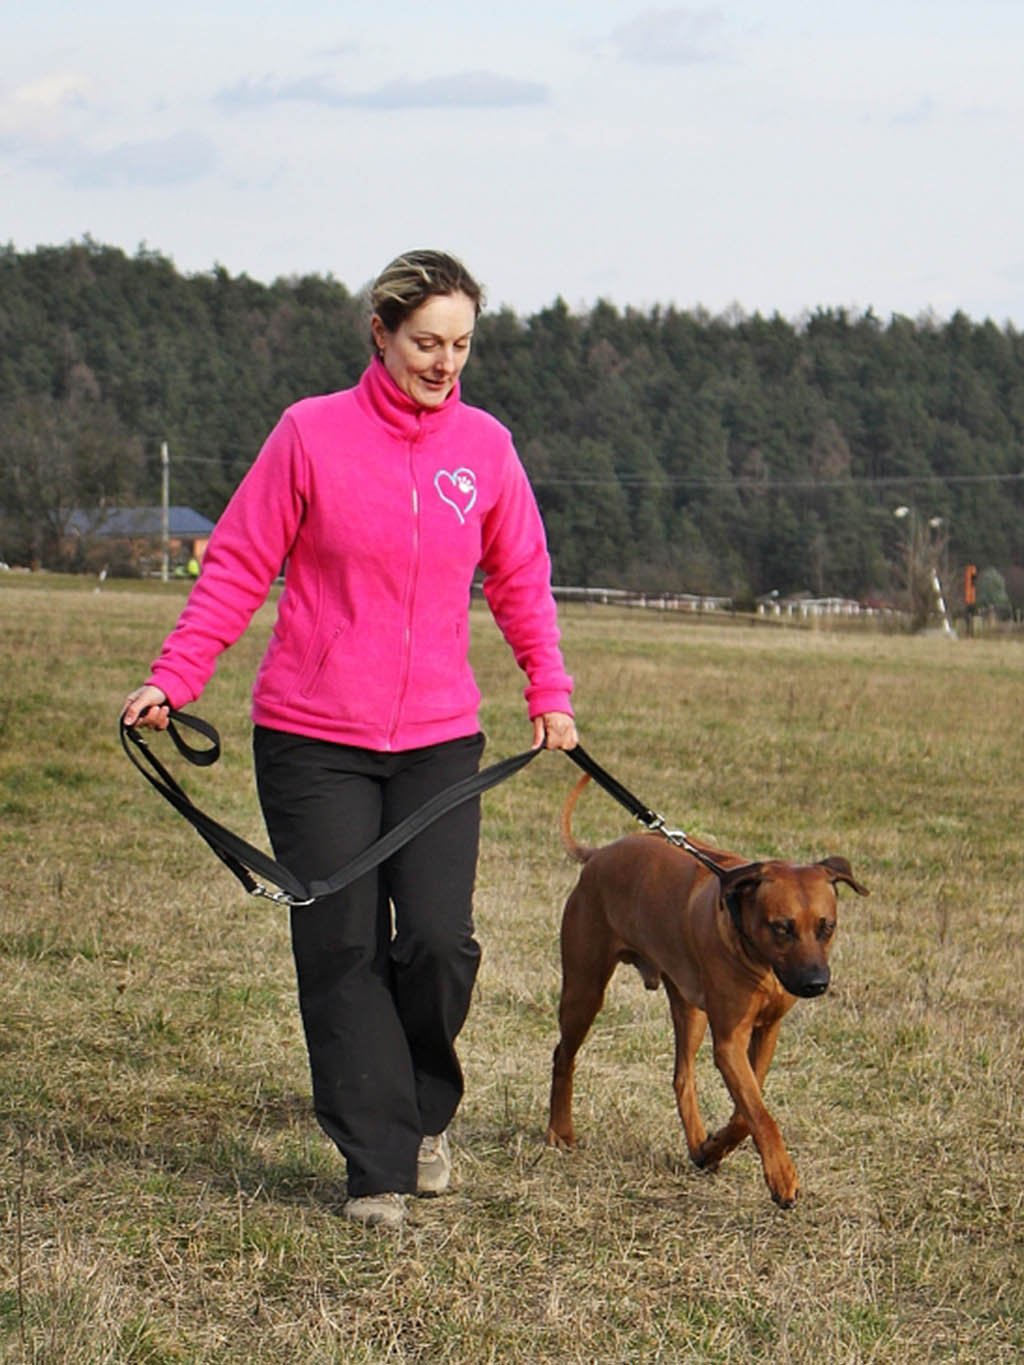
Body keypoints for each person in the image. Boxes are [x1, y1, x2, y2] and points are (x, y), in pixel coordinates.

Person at [122, 249, 577, 1230]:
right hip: (311, 737)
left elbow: (520, 581)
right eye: (426, 342)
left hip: (437, 741)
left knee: (440, 944)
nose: (443, 362)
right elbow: (238, 566)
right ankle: (376, 1165)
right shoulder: (309, 435)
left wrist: (550, 690)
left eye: (460, 344)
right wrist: (174, 678)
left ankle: (421, 1113)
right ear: (381, 332)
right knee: (339, 944)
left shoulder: (486, 450)